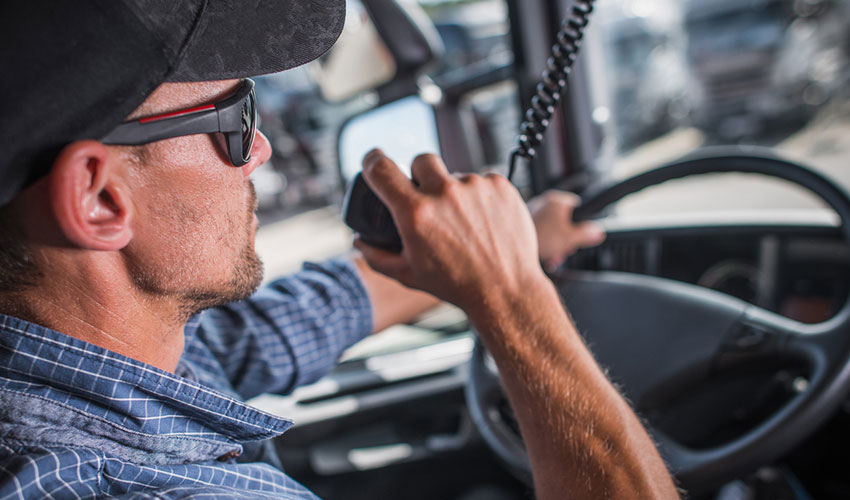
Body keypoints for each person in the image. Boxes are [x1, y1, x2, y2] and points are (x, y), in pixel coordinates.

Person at [0, 1, 678, 499]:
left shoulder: (82, 358)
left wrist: (490, 252)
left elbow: (264, 333)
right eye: (235, 119)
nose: (260, 149)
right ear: (98, 199)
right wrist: (512, 297)